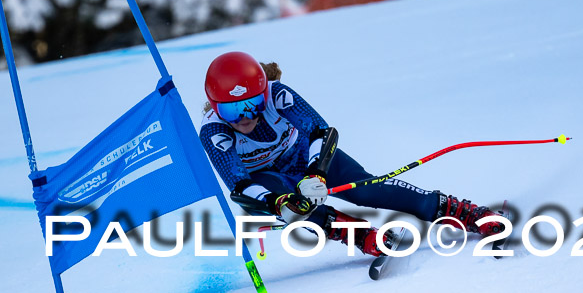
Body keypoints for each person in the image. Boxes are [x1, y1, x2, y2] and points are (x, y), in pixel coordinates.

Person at [199, 51, 504, 257]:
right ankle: (357, 234)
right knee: (291, 208)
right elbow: (239, 185)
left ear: (264, 92)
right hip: (269, 179)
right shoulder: (215, 132)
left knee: (369, 190)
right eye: (230, 109)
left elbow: (321, 132)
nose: (243, 117)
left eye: (252, 104)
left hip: (306, 155)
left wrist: (316, 172)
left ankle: (463, 212)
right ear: (215, 107)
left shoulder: (279, 95)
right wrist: (276, 201)